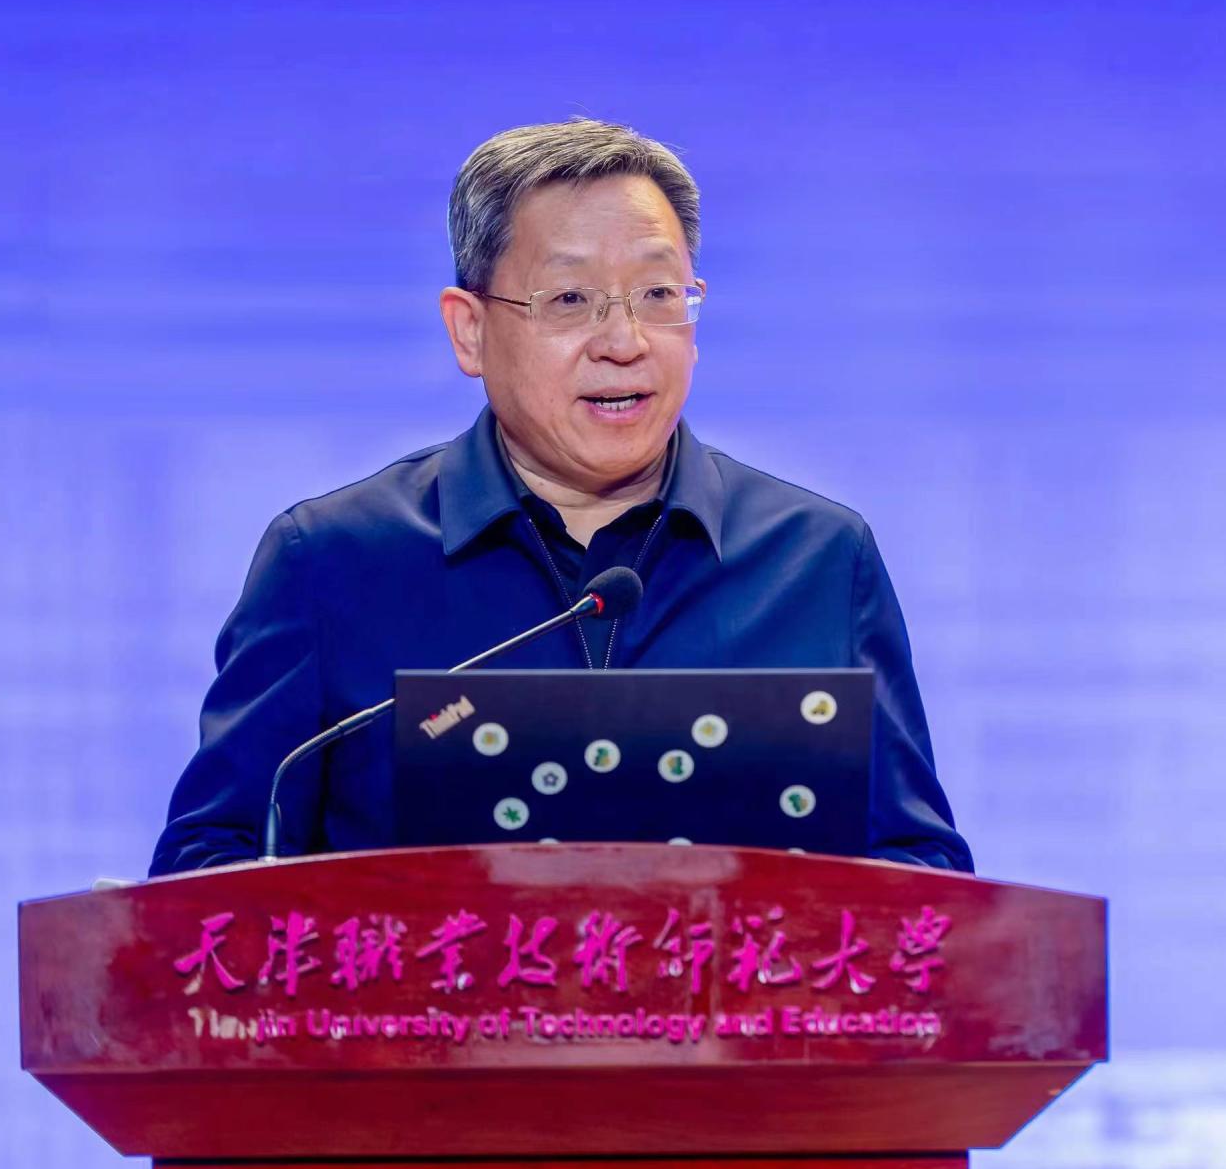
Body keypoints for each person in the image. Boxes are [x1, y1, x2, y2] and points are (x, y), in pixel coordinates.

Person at [149, 119, 971, 876]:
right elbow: (209, 868)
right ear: (470, 330)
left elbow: (921, 875)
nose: (624, 342)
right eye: (570, 299)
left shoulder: (816, 559)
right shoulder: (332, 561)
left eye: (658, 295)